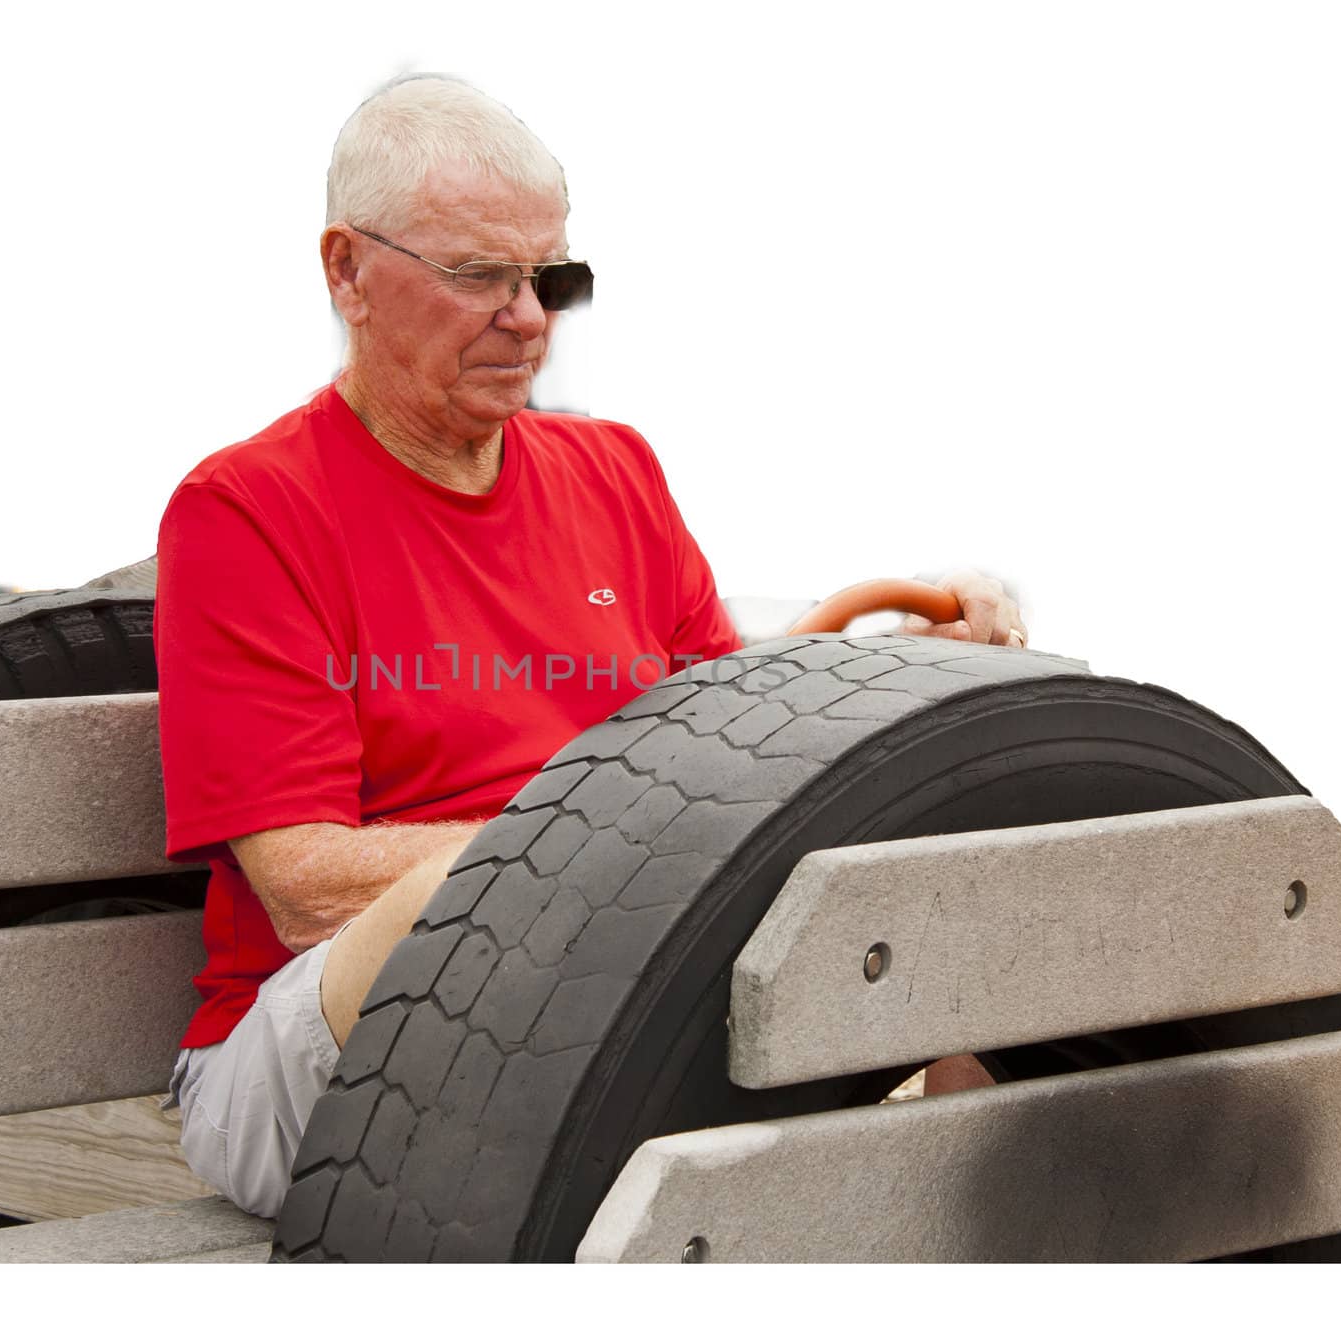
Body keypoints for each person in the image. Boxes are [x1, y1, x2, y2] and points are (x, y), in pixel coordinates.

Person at [153, 74, 1026, 1219]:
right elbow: (310, 888)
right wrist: (610, 863)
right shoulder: (247, 510)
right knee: (442, 908)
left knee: (967, 855)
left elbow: (735, 730)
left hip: (618, 992)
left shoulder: (614, 470)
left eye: (548, 277)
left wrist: (910, 650)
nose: (529, 318)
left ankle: (962, 1228)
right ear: (345, 271)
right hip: (319, 1049)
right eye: (478, 276)